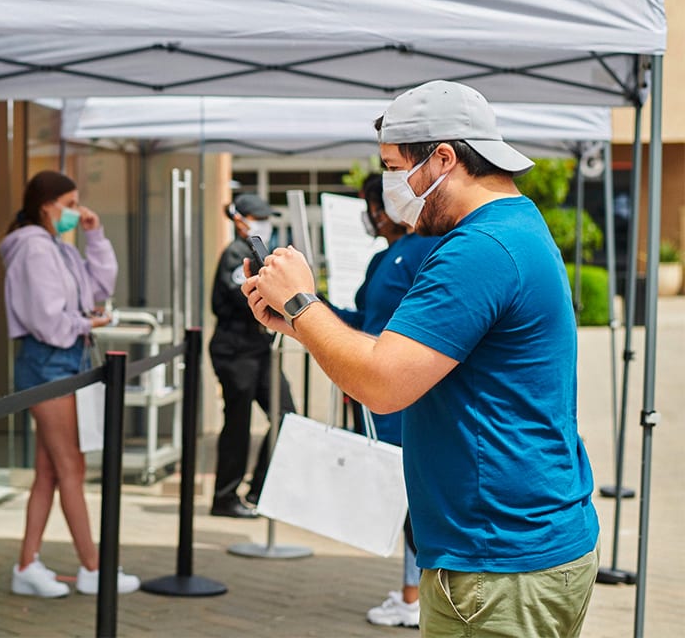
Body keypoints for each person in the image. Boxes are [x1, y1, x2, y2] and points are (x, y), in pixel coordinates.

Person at [244, 80, 599, 637]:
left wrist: (302, 304)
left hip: (495, 558)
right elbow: (398, 357)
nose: (390, 187)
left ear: (443, 159)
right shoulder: (511, 227)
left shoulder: (478, 249)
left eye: (392, 168)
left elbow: (384, 383)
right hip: (517, 544)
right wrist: (300, 323)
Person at [0, 170, 139, 598]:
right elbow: (48, 320)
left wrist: (96, 238)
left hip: (62, 359)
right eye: (72, 204)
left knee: (50, 471)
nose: (78, 213)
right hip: (49, 362)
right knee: (71, 468)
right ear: (48, 205)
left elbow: (99, 288)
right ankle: (93, 567)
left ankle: (27, 564)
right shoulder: (34, 249)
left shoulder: (58, 247)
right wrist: (86, 322)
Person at [328, 173, 440, 628]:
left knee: (411, 497)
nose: (372, 213)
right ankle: (413, 593)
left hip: (401, 393)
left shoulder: (421, 252)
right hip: (373, 390)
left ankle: (414, 597)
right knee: (402, 495)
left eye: (374, 203)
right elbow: (365, 318)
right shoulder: (384, 258)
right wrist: (311, 312)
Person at [208, 195, 296, 518]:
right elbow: (241, 296)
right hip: (235, 350)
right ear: (240, 219)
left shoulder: (262, 254)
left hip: (259, 348)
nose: (264, 223)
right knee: (238, 422)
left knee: (286, 415)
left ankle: (260, 491)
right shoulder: (235, 254)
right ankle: (225, 497)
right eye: (257, 217)